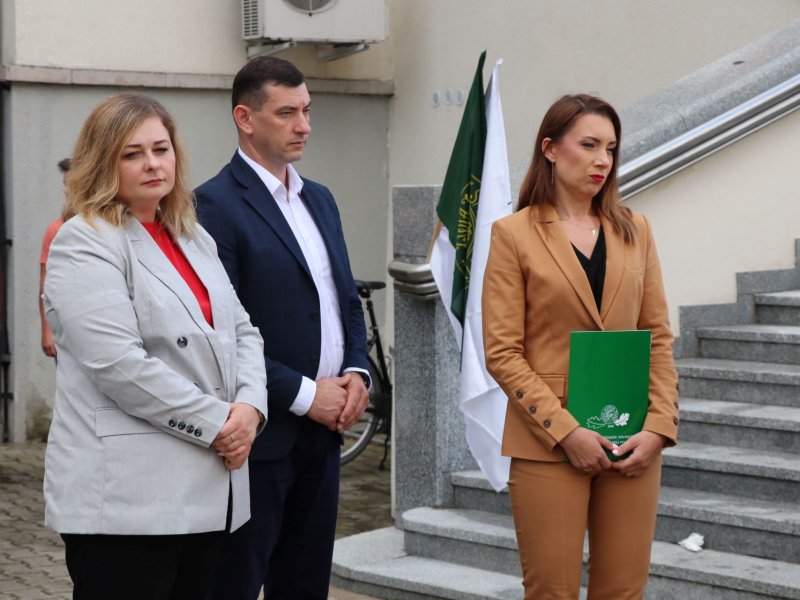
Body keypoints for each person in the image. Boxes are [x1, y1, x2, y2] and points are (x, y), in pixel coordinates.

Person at [42, 93, 268, 600]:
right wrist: (220, 424)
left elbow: (244, 332)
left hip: (207, 491)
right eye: (132, 153)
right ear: (103, 162)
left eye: (161, 149)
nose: (152, 164)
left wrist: (251, 410)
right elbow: (118, 365)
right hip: (129, 501)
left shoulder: (191, 235)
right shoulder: (85, 240)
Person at [482, 94, 679, 600]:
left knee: (623, 591)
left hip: (632, 439)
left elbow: (657, 337)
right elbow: (502, 353)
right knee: (552, 591)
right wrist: (566, 431)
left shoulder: (636, 229)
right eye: (589, 145)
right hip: (548, 443)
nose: (602, 160)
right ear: (550, 149)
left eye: (610, 149)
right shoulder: (513, 234)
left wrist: (660, 427)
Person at [195, 56, 370, 599]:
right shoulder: (212, 206)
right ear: (245, 118)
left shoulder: (320, 198)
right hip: (259, 435)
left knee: (305, 584)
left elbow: (345, 299)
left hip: (325, 434)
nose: (304, 126)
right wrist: (306, 395)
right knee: (236, 583)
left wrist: (358, 371)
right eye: (288, 113)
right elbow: (220, 334)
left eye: (307, 111)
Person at [39, 158, 74, 357]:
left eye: (70, 185)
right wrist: (47, 332)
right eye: (64, 184)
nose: (65, 190)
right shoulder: (56, 230)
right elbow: (46, 286)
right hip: (65, 333)